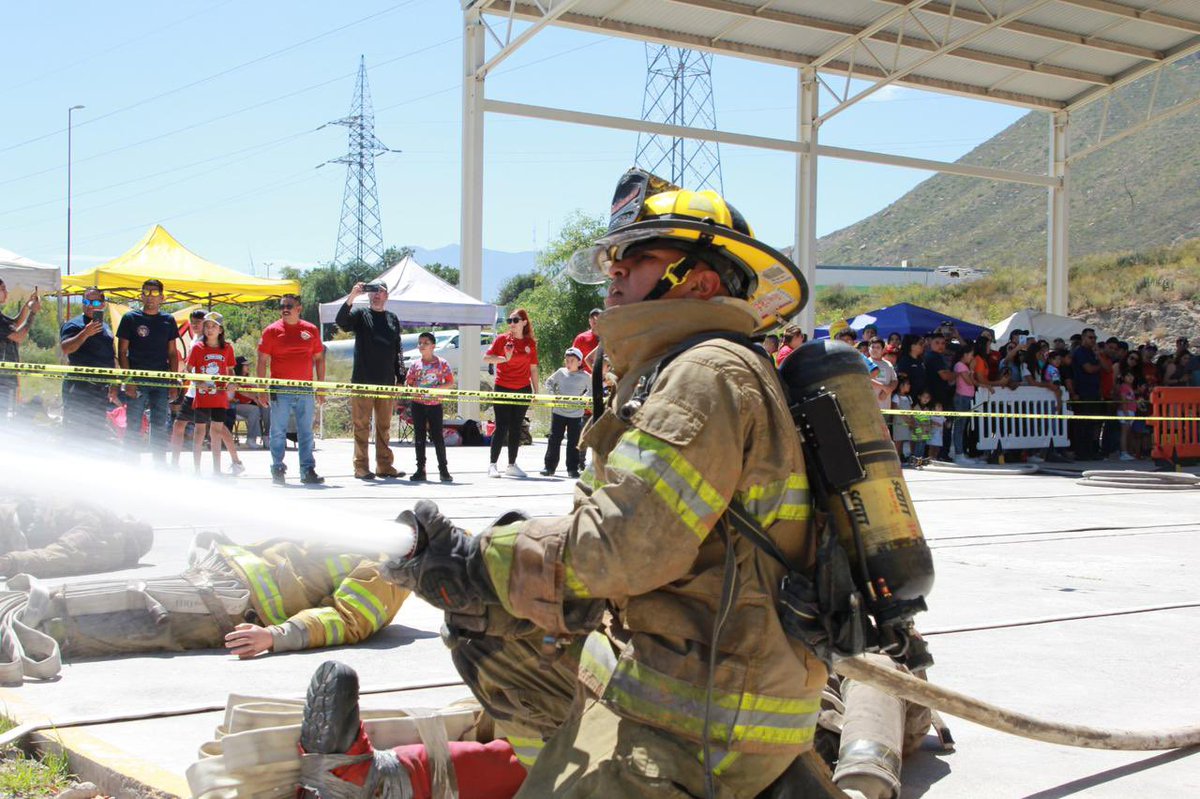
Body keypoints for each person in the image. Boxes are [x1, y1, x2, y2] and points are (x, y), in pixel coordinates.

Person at [361, 169, 832, 798]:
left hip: (709, 702)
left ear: (699, 281)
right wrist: (485, 575)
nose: (614, 271)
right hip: (681, 655)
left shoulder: (706, 374)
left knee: (485, 589)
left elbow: (626, 545)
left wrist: (480, 559)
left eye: (635, 258)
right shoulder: (677, 368)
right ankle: (552, 764)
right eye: (612, 257)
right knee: (481, 625)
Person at [4, 526, 409, 663]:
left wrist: (277, 637)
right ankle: (20, 620)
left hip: (230, 606)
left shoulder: (392, 570)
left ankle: (19, 639)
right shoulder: (366, 539)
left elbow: (348, 620)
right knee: (104, 597)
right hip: (217, 579)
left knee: (98, 618)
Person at [335, 282, 406, 480]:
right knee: (361, 425)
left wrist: (400, 377)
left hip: (386, 381)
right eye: (373, 292)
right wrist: (352, 296)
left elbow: (397, 349)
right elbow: (342, 321)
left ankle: (384, 465)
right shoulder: (360, 315)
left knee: (384, 426)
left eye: (380, 292)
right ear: (368, 295)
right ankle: (361, 466)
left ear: (386, 295)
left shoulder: (392, 318)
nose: (376, 295)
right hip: (363, 380)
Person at [257, 294, 326, 486]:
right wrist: (261, 389)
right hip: (281, 388)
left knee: (306, 432)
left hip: (305, 388)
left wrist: (321, 387)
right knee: (278, 430)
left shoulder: (310, 330)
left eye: (289, 305)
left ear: (299, 309)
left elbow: (319, 358)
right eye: (282, 306)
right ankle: (277, 468)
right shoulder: (272, 331)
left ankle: (307, 470)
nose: (285, 309)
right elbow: (262, 360)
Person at [0, 494, 152, 579]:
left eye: (132, 518)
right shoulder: (101, 517)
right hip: (16, 511)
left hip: (12, 527)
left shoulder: (107, 537)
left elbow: (60, 556)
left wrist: (10, 562)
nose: (128, 515)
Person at [116, 279, 180, 460]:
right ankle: (130, 463)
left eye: (154, 293)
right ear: (141, 295)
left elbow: (173, 353)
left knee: (159, 424)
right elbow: (122, 351)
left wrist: (174, 382)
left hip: (160, 380)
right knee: (134, 424)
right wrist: (128, 381)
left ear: (162, 297)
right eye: (146, 292)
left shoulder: (168, 320)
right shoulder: (130, 318)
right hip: (136, 379)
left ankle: (159, 465)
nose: (150, 297)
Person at [180, 312, 244, 476]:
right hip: (202, 396)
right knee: (199, 431)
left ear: (220, 330)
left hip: (219, 397)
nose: (210, 330)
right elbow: (187, 371)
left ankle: (217, 470)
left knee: (216, 431)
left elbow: (230, 370)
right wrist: (196, 382)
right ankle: (197, 470)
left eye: (214, 326)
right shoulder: (197, 347)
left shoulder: (227, 348)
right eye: (207, 326)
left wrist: (232, 383)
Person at [482, 308, 538, 478]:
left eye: (515, 320)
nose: (512, 324)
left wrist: (536, 391)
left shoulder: (530, 343)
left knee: (516, 427)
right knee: (501, 426)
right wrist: (504, 358)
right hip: (503, 387)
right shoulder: (502, 340)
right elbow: (486, 358)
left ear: (524, 322)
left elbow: (533, 368)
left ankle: (512, 464)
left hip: (523, 389)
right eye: (509, 321)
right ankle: (492, 465)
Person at [59, 287, 117, 439]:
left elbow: (111, 355)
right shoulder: (74, 325)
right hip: (79, 387)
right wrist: (85, 333)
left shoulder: (105, 327)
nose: (90, 305)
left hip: (100, 388)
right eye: (86, 301)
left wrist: (114, 383)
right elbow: (66, 348)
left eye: (95, 301)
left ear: (103, 304)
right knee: (74, 430)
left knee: (96, 430)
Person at [404, 331, 455, 483]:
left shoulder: (442, 363)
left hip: (435, 405)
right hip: (418, 404)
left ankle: (444, 471)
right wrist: (413, 389)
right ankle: (421, 469)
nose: (422, 346)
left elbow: (450, 382)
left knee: (438, 437)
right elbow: (410, 382)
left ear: (433, 346)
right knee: (419, 437)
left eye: (426, 343)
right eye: (420, 343)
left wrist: (438, 389)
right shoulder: (415, 364)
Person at [540, 347, 590, 478]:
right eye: (567, 360)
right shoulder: (561, 372)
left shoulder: (586, 377)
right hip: (558, 412)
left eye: (572, 360)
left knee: (573, 442)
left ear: (579, 362)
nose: (568, 363)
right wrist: (552, 395)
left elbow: (593, 389)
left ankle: (572, 469)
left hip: (576, 414)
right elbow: (549, 382)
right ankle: (549, 467)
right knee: (554, 440)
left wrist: (585, 399)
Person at [0, 280, 41, 420]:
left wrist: (27, 306)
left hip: (5, 379)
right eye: (3, 289)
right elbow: (19, 336)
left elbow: (14, 323)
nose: (6, 293)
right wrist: (33, 313)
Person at [227, 356, 270, 449]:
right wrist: (254, 398)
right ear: (239, 366)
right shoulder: (234, 379)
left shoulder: (249, 380)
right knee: (254, 410)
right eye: (245, 365)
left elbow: (257, 391)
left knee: (267, 407)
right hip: (236, 405)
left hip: (250, 404)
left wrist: (260, 397)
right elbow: (240, 391)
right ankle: (251, 439)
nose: (247, 367)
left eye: (247, 365)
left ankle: (267, 436)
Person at [868, 338, 897, 410]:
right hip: (869, 407)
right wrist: (883, 387)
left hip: (885, 406)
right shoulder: (864, 362)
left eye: (878, 347)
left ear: (883, 350)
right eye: (872, 347)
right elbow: (864, 379)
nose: (874, 350)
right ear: (869, 348)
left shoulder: (888, 364)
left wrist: (887, 391)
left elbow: (894, 381)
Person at [572, 307, 603, 372]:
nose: (595, 319)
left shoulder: (609, 337)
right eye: (593, 318)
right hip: (586, 377)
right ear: (589, 321)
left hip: (607, 378)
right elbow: (572, 358)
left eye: (598, 317)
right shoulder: (581, 338)